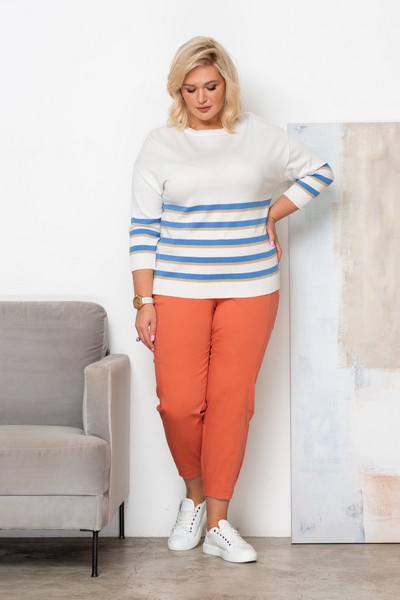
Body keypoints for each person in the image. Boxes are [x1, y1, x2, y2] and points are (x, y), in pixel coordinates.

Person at [130, 36, 333, 564]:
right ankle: (194, 498)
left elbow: (320, 171)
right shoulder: (160, 144)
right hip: (177, 290)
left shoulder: (258, 135)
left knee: (231, 402)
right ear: (178, 91)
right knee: (178, 403)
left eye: (211, 86)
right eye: (190, 89)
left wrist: (272, 213)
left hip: (251, 288)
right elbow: (144, 227)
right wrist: (143, 299)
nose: (202, 98)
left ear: (227, 84)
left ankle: (219, 522)